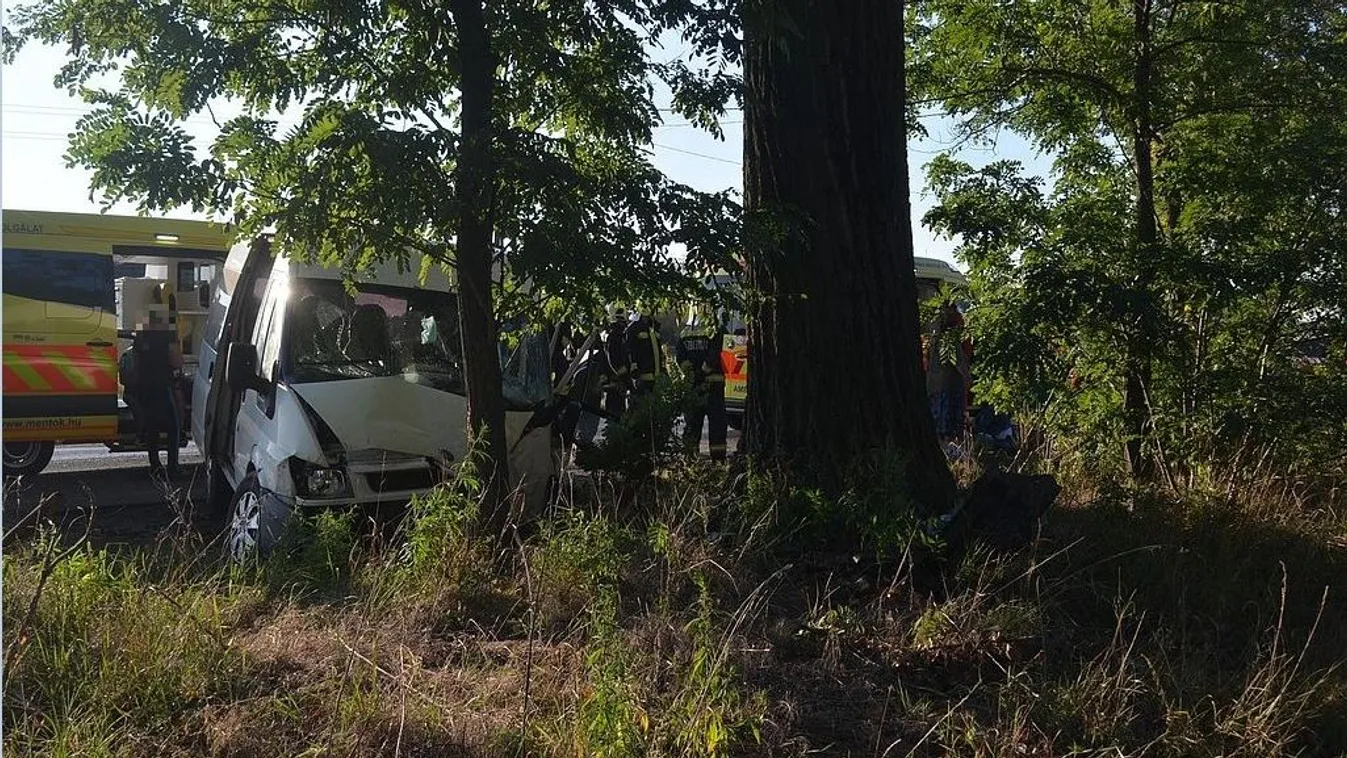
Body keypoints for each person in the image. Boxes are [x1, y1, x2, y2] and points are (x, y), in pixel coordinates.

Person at [133, 304, 184, 477]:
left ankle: (154, 466)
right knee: (174, 427)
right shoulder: (167, 336)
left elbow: (137, 363)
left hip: (144, 387)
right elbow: (175, 360)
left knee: (152, 428)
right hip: (163, 385)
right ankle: (173, 467)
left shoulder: (140, 337)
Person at [677, 306, 728, 461]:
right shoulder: (716, 329)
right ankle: (718, 460)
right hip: (714, 386)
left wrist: (693, 373)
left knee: (692, 424)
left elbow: (680, 358)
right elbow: (715, 356)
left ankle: (690, 459)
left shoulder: (685, 332)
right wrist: (704, 371)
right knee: (717, 425)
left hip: (693, 386)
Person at [927, 302, 971, 451]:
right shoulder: (949, 340)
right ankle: (947, 446)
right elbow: (958, 363)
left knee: (940, 419)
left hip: (936, 386)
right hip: (948, 386)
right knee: (948, 421)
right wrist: (966, 377)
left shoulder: (935, 339)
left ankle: (943, 445)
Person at [625, 305, 664, 400]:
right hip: (642, 378)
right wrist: (634, 370)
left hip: (656, 377)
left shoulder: (654, 328)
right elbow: (630, 350)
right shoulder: (633, 329)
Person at [601, 306, 629, 421]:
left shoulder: (617, 335)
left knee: (618, 413)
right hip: (616, 383)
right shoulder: (614, 336)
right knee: (615, 415)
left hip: (618, 382)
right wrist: (623, 375)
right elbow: (613, 360)